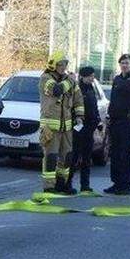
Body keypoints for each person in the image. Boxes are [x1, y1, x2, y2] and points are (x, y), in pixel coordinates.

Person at [38, 51, 83, 194]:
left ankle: (61, 184)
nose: (64, 67)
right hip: (50, 127)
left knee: (67, 157)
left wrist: (80, 115)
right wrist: (70, 80)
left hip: (67, 127)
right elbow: (56, 90)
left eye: (65, 64)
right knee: (51, 157)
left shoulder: (70, 81)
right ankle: (49, 186)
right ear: (54, 65)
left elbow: (78, 99)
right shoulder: (45, 78)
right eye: (61, 64)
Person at [104, 54, 130, 195]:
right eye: (122, 63)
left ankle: (126, 184)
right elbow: (113, 98)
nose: (124, 65)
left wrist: (122, 84)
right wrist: (109, 115)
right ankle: (116, 182)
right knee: (114, 153)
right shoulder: (117, 79)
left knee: (125, 154)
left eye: (127, 63)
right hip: (115, 120)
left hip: (127, 120)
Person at [67, 66, 101, 193]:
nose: (92, 78)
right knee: (74, 157)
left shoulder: (91, 89)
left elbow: (94, 106)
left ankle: (85, 185)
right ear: (83, 76)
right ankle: (68, 183)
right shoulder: (77, 90)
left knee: (87, 158)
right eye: (90, 76)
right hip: (78, 127)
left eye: (93, 76)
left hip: (89, 128)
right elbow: (72, 108)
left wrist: (98, 121)